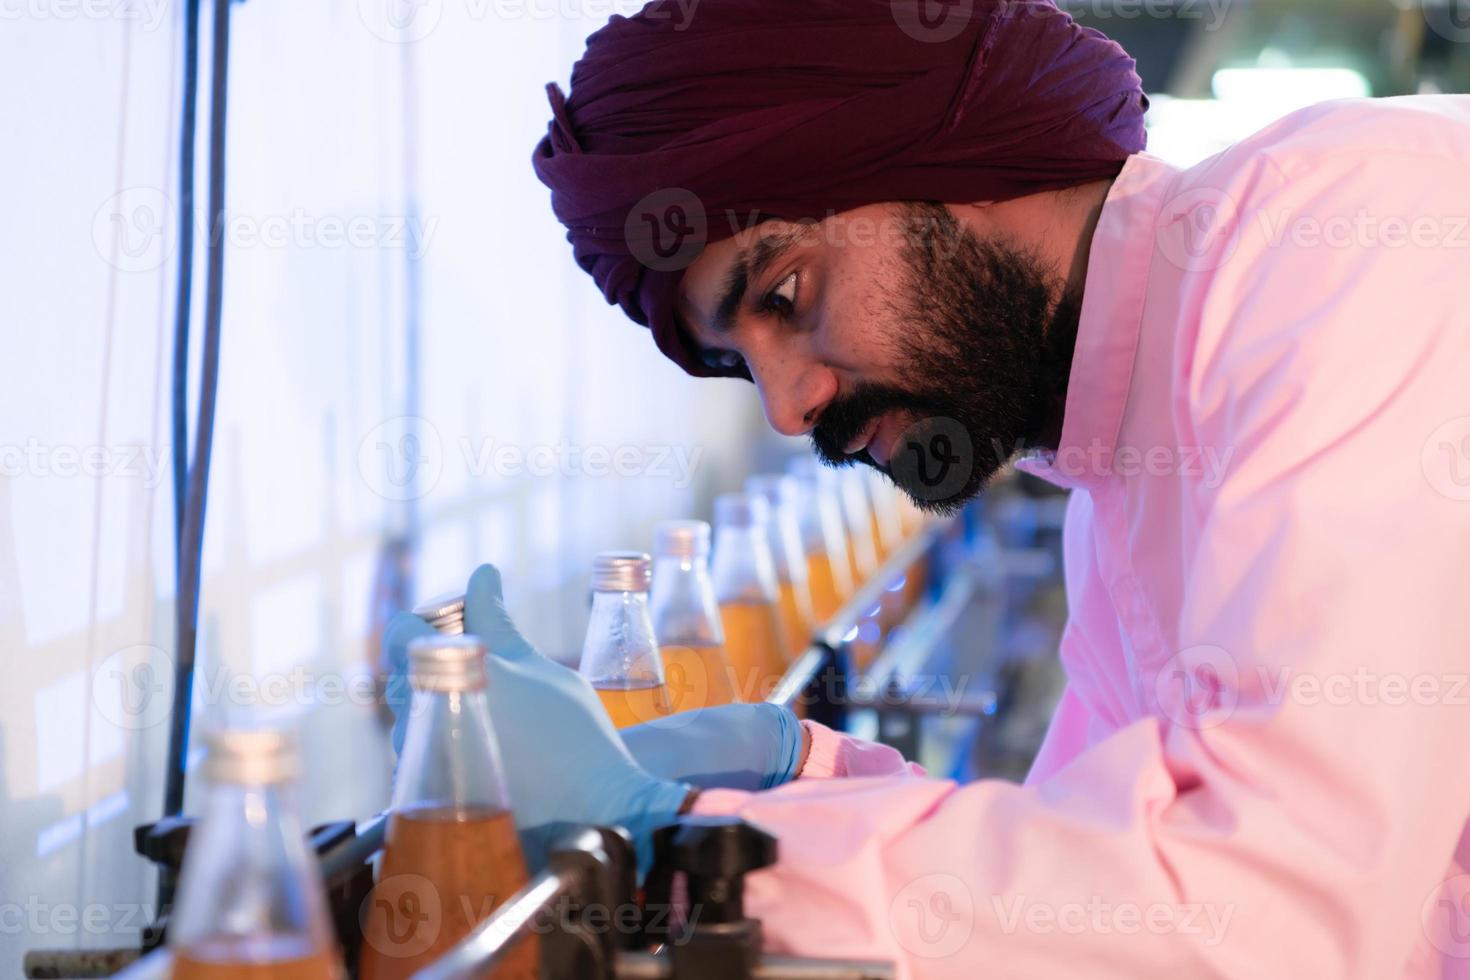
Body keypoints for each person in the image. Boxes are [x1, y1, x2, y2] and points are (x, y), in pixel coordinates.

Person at [386, 1, 1470, 975]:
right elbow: (1083, 883)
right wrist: (799, 772)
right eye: (737, 360)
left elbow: (1267, 915)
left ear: (960, 162)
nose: (787, 406)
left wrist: (683, 837)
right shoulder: (1116, 498)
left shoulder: (1340, 244)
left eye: (788, 290)